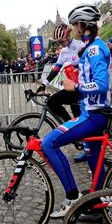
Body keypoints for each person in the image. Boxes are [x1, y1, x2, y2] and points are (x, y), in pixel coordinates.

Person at [42, 4, 111, 218]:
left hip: (93, 115)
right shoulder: (91, 47)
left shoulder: (94, 49)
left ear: (81, 25)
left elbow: (102, 84)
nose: (74, 28)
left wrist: (76, 87)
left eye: (74, 25)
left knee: (48, 143)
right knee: (94, 163)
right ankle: (98, 207)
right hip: (92, 112)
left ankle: (72, 196)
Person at [36, 23, 85, 163]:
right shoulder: (63, 52)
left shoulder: (81, 46)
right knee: (52, 102)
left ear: (68, 35)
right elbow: (56, 69)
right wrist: (44, 84)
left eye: (62, 41)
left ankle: (86, 147)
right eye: (58, 42)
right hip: (71, 87)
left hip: (80, 87)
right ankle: (71, 126)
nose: (61, 44)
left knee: (80, 117)